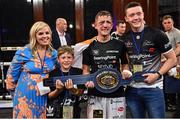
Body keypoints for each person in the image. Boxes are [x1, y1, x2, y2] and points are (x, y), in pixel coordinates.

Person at [123, 2, 177, 118]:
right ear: (126, 18)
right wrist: (126, 70)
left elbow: (172, 59)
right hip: (132, 90)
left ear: (143, 15)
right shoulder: (125, 38)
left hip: (153, 89)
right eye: (132, 15)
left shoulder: (157, 34)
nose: (136, 17)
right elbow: (126, 62)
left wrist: (158, 74)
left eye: (139, 14)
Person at [5, 21, 63, 118]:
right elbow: (11, 76)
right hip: (24, 95)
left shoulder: (54, 53)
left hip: (44, 94)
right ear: (34, 36)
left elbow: (60, 70)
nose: (45, 36)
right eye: (40, 33)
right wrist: (15, 95)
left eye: (47, 33)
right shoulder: (24, 51)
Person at [82, 10, 132, 118]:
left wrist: (125, 71)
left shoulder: (120, 45)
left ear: (112, 25)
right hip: (95, 95)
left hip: (117, 94)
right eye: (101, 22)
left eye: (108, 22)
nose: (105, 25)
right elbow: (85, 70)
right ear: (95, 25)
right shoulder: (88, 48)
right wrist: (87, 80)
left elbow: (125, 64)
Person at [46, 45, 85, 118]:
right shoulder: (53, 73)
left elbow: (81, 93)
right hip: (56, 110)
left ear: (73, 59)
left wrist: (72, 89)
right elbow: (49, 96)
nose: (66, 60)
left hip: (74, 109)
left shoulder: (79, 72)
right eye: (63, 57)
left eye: (69, 57)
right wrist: (58, 90)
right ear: (58, 59)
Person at [162, 15, 180, 116]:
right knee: (167, 85)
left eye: (169, 22)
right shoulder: (164, 34)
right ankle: (170, 104)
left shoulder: (177, 32)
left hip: (175, 63)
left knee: (175, 87)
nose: (167, 24)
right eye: (165, 23)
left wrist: (178, 65)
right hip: (166, 63)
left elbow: (179, 48)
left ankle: (175, 107)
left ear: (173, 22)